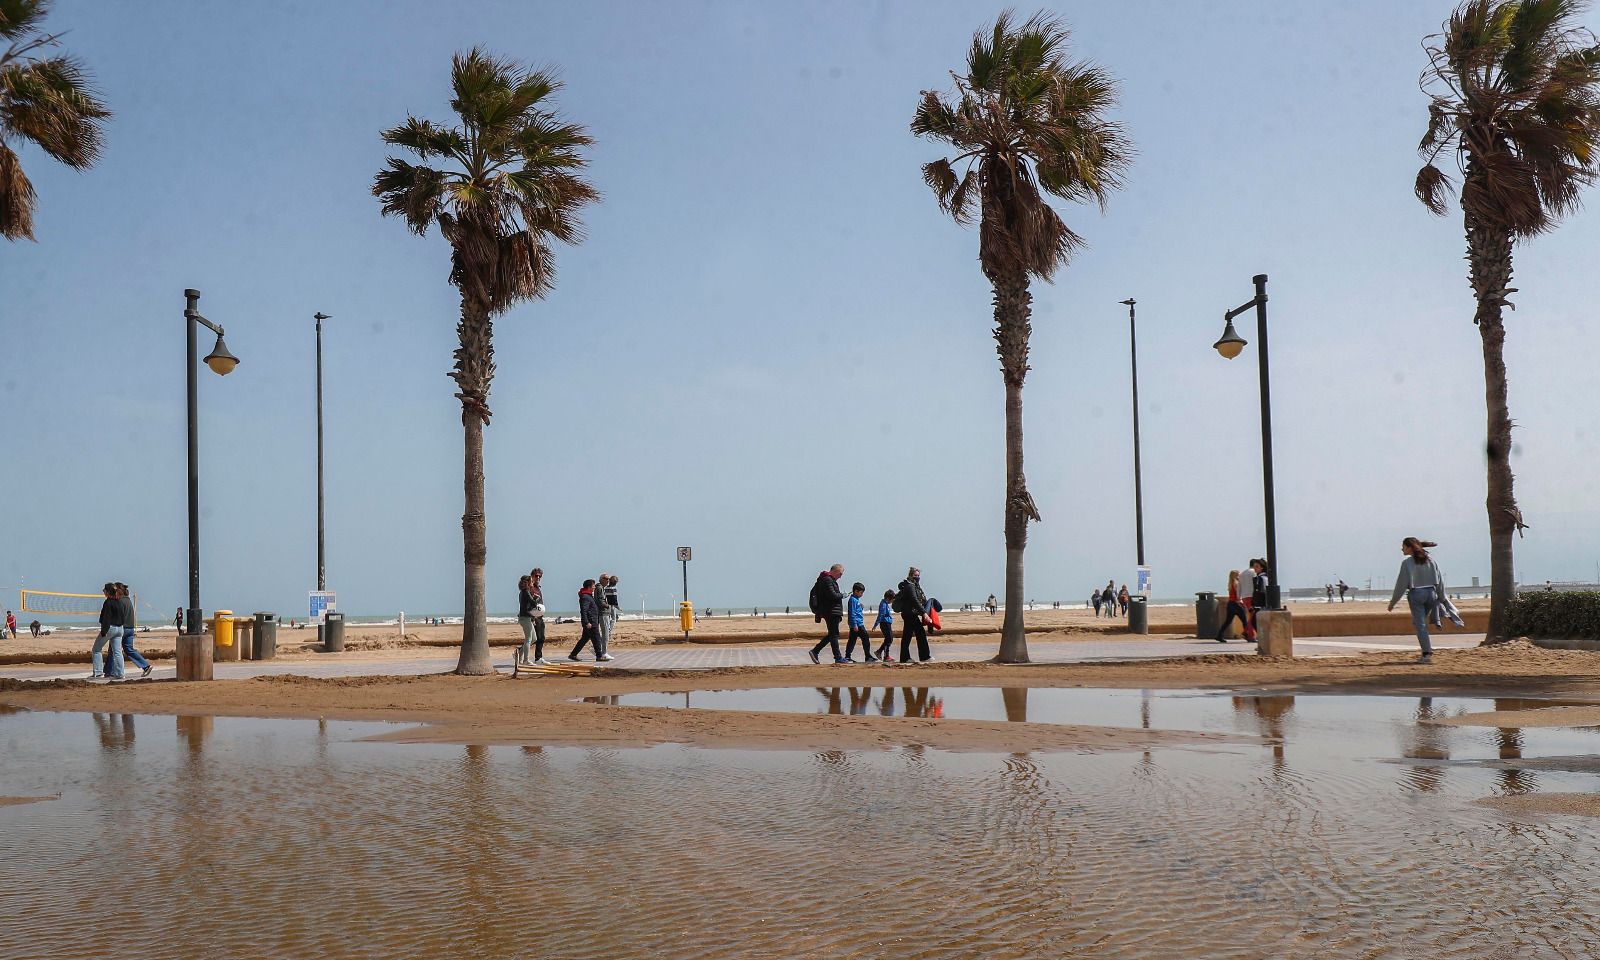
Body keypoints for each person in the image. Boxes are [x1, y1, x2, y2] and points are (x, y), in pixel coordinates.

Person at [1389, 537, 1447, 664]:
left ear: (1409, 548)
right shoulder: (1431, 561)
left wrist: (1393, 602)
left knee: (1420, 624)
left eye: (1403, 546)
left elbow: (1401, 584)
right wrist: (1442, 598)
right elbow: (1440, 581)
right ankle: (1426, 651)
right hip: (1431, 594)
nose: (1401, 549)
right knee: (1419, 623)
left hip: (1417, 594)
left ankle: (1426, 653)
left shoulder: (1407, 563)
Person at [807, 564, 846, 664]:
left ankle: (816, 651)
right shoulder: (827, 580)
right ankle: (837, 657)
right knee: (834, 635)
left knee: (833, 634)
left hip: (831, 611)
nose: (841, 576)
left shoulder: (827, 580)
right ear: (835, 571)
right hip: (830, 611)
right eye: (840, 574)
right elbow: (832, 595)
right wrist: (842, 595)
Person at [117, 583, 153, 679]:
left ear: (118, 592)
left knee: (115, 649)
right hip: (130, 629)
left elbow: (119, 617)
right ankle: (146, 666)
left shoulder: (120, 601)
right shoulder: (128, 600)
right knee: (129, 649)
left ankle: (114, 671)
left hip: (123, 628)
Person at [90, 582, 125, 681]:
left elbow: (106, 618)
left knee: (96, 649)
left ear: (108, 591)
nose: (103, 591)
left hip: (111, 628)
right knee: (117, 652)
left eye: (104, 590)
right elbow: (122, 617)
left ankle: (98, 672)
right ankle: (120, 674)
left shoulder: (108, 602)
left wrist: (104, 631)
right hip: (120, 629)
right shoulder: (119, 601)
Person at [896, 567, 931, 662]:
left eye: (918, 576)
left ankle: (909, 657)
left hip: (910, 614)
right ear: (910, 575)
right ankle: (922, 657)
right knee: (916, 635)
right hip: (909, 614)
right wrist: (924, 613)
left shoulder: (914, 585)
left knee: (912, 635)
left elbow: (919, 600)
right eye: (915, 575)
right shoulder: (910, 586)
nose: (917, 577)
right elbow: (914, 600)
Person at [1214, 570, 1256, 643]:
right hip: (1236, 604)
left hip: (1230, 604)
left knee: (1228, 621)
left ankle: (1219, 635)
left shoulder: (1230, 583)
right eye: (1238, 574)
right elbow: (1238, 594)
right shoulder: (1236, 583)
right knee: (1244, 620)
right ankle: (1248, 636)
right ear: (1236, 575)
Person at [569, 579, 604, 661]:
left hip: (592, 621)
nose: (594, 587)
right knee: (596, 638)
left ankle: (573, 654)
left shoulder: (588, 595)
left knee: (584, 639)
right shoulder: (585, 597)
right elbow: (583, 611)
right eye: (593, 586)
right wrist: (587, 622)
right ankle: (599, 656)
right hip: (590, 622)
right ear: (589, 587)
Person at [843, 582, 877, 662]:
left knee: (852, 640)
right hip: (857, 624)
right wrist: (854, 624)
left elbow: (857, 611)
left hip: (858, 623)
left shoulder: (856, 600)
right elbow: (852, 613)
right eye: (861, 592)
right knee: (865, 638)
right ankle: (867, 656)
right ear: (856, 591)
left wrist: (861, 607)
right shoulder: (853, 600)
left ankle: (848, 656)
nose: (862, 594)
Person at [516, 574, 545, 666]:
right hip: (524, 618)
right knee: (528, 639)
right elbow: (532, 604)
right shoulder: (525, 591)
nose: (533, 583)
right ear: (528, 583)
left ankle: (519, 652)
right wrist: (536, 599)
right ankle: (526, 660)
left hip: (527, 617)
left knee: (534, 638)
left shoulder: (523, 592)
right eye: (531, 582)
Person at [872, 589, 895, 663]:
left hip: (887, 623)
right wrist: (875, 625)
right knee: (889, 639)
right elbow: (880, 615)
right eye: (892, 600)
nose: (892, 602)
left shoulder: (885, 604)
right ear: (888, 598)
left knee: (889, 639)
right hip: (884, 624)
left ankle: (879, 652)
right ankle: (886, 656)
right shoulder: (883, 604)